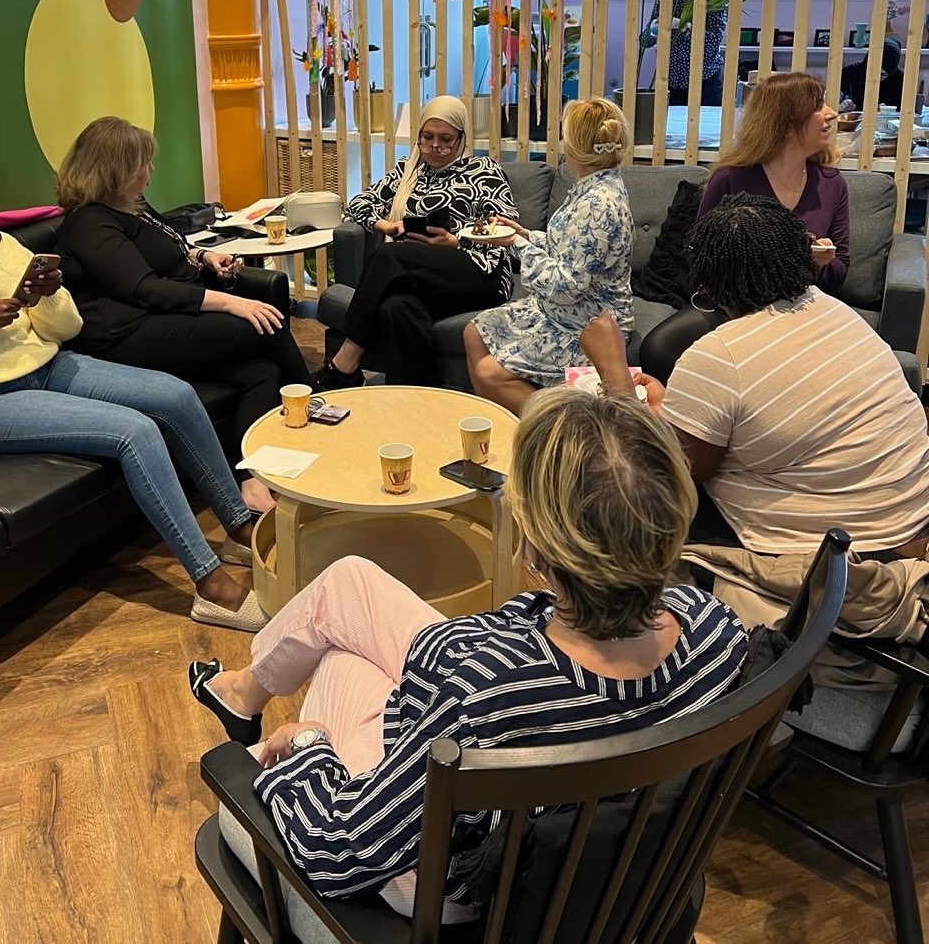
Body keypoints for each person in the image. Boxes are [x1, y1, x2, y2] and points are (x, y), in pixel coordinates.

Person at [188, 388, 746, 914]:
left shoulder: (483, 688)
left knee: (339, 664)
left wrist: (308, 744)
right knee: (349, 584)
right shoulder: (716, 627)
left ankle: (257, 719)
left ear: (537, 540)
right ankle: (241, 693)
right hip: (615, 854)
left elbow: (336, 853)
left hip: (470, 887)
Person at [0, 143, 267, 633]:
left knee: (176, 394)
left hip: (51, 366)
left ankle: (239, 527)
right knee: (133, 432)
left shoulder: (0, 247)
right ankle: (209, 583)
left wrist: (51, 297)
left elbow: (63, 330)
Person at [583, 195, 929, 558]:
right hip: (910, 517)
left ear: (709, 285)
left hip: (835, 558)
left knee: (616, 496)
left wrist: (614, 373)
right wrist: (673, 409)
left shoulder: (718, 356)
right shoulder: (837, 312)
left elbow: (662, 477)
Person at [54, 117, 311, 514]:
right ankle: (320, 407)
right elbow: (142, 287)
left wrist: (202, 256)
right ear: (117, 169)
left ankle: (251, 478)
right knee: (266, 323)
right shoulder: (90, 223)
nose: (150, 170)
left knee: (259, 371)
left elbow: (169, 248)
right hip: (125, 335)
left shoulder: (132, 207)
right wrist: (230, 302)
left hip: (159, 319)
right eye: (143, 163)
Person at [640, 70, 847, 383]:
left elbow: (841, 269)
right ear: (787, 122)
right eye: (819, 105)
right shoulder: (731, 179)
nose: (831, 113)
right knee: (657, 349)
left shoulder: (832, 185)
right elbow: (700, 255)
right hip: (733, 307)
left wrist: (818, 262)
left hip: (801, 308)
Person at [313, 96, 518, 389]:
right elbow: (359, 203)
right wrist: (387, 224)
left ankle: (345, 363)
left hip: (477, 271)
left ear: (461, 138)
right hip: (419, 274)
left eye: (446, 139)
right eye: (427, 138)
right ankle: (416, 398)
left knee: (390, 256)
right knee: (397, 308)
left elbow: (504, 229)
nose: (435, 147)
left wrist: (455, 241)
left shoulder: (484, 171)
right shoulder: (408, 171)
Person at [463, 98, 634, 416]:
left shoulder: (598, 203)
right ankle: (507, 424)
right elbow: (571, 248)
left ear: (573, 149)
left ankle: (555, 432)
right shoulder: (594, 186)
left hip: (587, 325)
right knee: (475, 331)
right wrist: (526, 234)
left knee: (488, 372)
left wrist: (515, 243)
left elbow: (568, 285)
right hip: (560, 310)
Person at [641, 0, 727, 106]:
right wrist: (654, 28)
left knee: (707, 125)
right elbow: (645, 40)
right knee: (671, 127)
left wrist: (689, 28)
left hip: (705, 78)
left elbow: (713, 43)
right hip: (673, 80)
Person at [840, 38, 905, 111]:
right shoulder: (849, 72)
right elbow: (831, 104)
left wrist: (886, 111)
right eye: (871, 71)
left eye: (882, 74)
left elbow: (904, 110)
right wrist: (841, 107)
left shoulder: (900, 78)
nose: (876, 78)